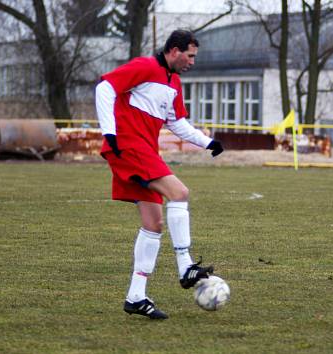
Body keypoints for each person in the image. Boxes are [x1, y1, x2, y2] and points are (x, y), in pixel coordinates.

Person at [95, 29, 224, 320]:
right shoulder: (145, 66)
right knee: (180, 193)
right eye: (190, 55)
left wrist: (208, 142)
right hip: (128, 145)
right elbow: (104, 88)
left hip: (145, 151)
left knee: (153, 223)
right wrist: (110, 132)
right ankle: (185, 265)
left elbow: (177, 123)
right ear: (174, 51)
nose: (192, 61)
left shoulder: (174, 82)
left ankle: (136, 296)